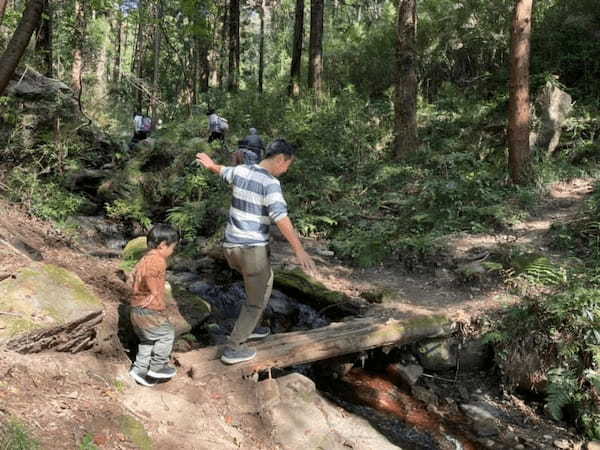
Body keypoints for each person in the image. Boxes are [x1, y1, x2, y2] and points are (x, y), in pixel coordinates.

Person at [196, 139, 316, 365]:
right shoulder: (270, 184)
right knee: (255, 301)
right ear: (280, 159)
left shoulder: (241, 171)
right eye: (288, 164)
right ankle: (234, 348)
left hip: (231, 249)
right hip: (252, 251)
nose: (287, 169)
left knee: (265, 282)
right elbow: (280, 216)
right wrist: (299, 250)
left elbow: (221, 170)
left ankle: (251, 326)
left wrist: (210, 164)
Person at [129, 224, 179, 386]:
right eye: (172, 248)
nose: (172, 251)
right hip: (149, 311)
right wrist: (154, 293)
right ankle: (158, 366)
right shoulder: (157, 260)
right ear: (163, 245)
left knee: (148, 340)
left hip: (137, 310)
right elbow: (150, 275)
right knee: (166, 334)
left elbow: (135, 277)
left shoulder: (144, 259)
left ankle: (139, 370)